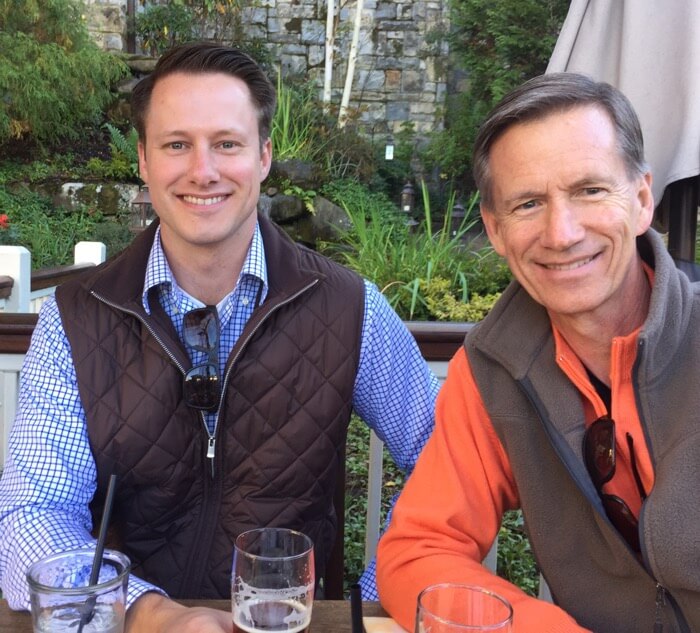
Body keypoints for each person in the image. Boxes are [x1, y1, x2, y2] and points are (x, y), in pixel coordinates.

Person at [0, 42, 438, 631]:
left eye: (226, 144)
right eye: (177, 144)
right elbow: (32, 513)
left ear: (263, 157)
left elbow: (444, 459)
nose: (203, 170)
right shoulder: (75, 317)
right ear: (144, 160)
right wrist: (148, 612)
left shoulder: (348, 305)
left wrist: (375, 594)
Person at [376, 72, 700, 632]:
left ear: (643, 200)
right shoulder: (492, 372)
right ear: (496, 231)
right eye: (528, 203)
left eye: (589, 190)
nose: (561, 232)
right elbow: (419, 550)